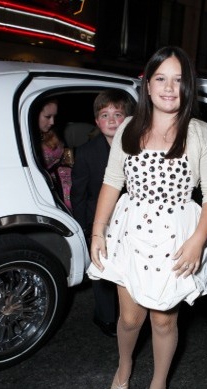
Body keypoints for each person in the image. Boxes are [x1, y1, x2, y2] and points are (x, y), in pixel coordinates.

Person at [87, 46, 207, 389]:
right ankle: (125, 362)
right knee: (130, 318)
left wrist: (198, 240)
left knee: (163, 321)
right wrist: (97, 231)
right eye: (161, 78)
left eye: (179, 80)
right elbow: (112, 182)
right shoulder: (129, 129)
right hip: (131, 232)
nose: (169, 87)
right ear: (146, 85)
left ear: (189, 87)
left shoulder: (200, 133)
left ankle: (159, 385)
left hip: (177, 237)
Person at [71, 89, 136, 338]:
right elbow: (79, 194)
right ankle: (105, 317)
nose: (111, 120)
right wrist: (83, 227)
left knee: (126, 269)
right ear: (97, 121)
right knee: (102, 271)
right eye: (105, 114)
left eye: (117, 114)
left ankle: (128, 314)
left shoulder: (138, 150)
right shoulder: (87, 152)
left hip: (130, 223)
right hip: (99, 223)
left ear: (128, 119)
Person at [37, 98, 73, 209]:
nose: (52, 122)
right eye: (48, 117)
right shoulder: (27, 138)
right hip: (52, 188)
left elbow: (66, 156)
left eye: (54, 117)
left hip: (68, 181)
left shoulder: (52, 132)